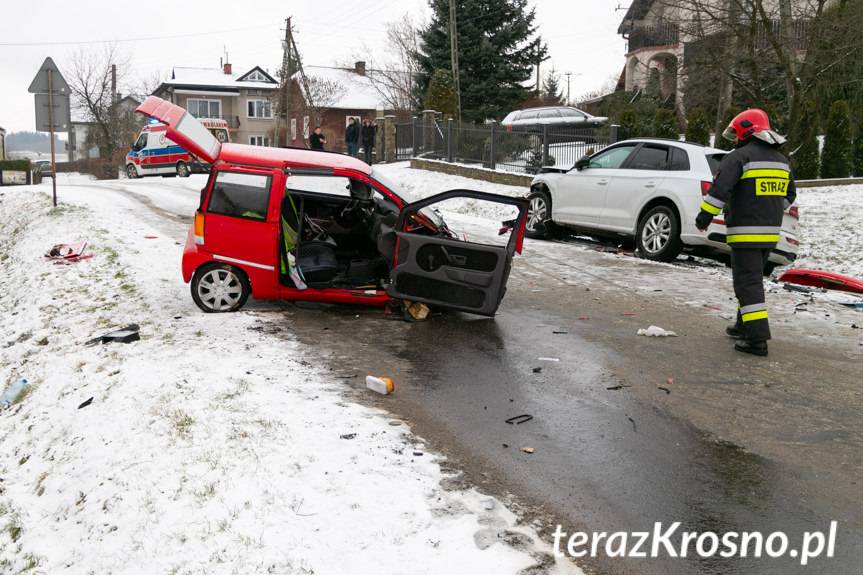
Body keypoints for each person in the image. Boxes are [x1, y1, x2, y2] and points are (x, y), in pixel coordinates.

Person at [695, 109, 796, 357]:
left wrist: (704, 217)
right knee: (751, 280)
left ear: (744, 131)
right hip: (769, 234)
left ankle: (756, 339)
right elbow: (789, 196)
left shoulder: (738, 157)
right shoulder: (782, 161)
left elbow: (720, 191)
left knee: (747, 284)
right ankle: (743, 326)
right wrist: (768, 209)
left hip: (745, 232)